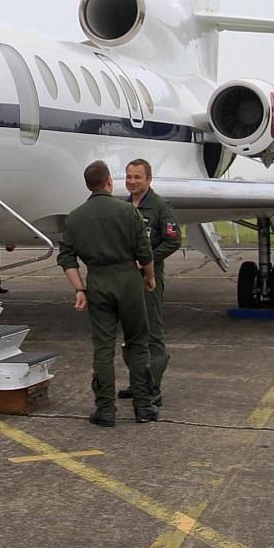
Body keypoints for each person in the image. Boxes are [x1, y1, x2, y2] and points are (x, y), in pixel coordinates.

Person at [58, 160, 158, 426]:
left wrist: (80, 288)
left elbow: (66, 258)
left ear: (88, 185)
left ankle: (105, 409)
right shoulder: (127, 211)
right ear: (109, 182)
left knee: (103, 347)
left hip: (98, 281)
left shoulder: (75, 217)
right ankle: (144, 407)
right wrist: (150, 277)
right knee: (137, 343)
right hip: (128, 279)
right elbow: (144, 252)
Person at [118, 158, 181, 407]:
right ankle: (137, 383)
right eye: (129, 177)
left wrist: (147, 260)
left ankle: (152, 385)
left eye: (138, 177)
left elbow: (173, 240)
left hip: (149, 278)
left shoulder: (159, 207)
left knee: (152, 332)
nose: (132, 182)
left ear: (149, 179)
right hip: (126, 280)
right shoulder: (123, 207)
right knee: (132, 332)